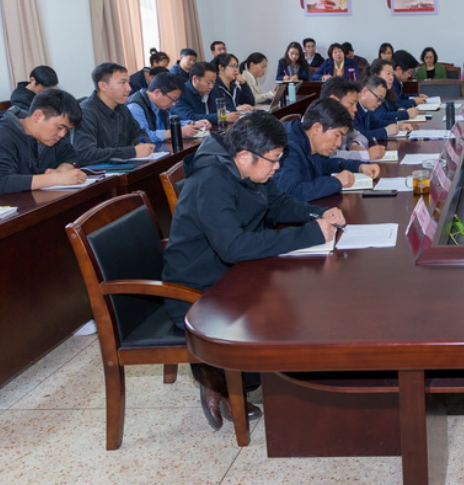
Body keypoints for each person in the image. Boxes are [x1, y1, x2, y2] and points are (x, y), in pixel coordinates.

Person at [161, 112, 346, 427]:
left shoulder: (247, 169)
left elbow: (278, 203)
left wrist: (318, 213)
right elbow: (234, 247)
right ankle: (215, 377)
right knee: (280, 321)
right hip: (199, 291)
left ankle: (259, 380)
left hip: (236, 273)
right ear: (244, 156)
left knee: (300, 304)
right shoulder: (210, 181)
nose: (277, 168)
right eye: (274, 160)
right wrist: (310, 234)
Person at [0, 88, 86, 200]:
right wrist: (55, 179)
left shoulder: (50, 137)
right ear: (38, 116)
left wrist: (60, 171)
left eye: (67, 130)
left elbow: (71, 156)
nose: (62, 134)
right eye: (60, 127)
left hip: (31, 203)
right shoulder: (0, 135)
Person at [274, 97, 381, 201]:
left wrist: (360, 167)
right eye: (337, 135)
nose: (339, 143)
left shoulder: (311, 141)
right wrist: (336, 182)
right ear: (316, 128)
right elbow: (291, 192)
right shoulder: (288, 147)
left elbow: (327, 164)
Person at [74, 62, 157, 166]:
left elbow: (139, 133)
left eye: (128, 82)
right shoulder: (86, 113)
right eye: (122, 83)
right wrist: (133, 152)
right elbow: (85, 154)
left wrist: (142, 143)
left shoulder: (121, 108)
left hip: (124, 169)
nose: (129, 88)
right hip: (97, 173)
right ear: (103, 86)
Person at [319, 76, 385, 161]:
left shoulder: (342, 121)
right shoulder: (320, 122)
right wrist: (366, 155)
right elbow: (331, 156)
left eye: (356, 104)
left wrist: (355, 144)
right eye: (351, 104)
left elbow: (360, 136)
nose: (355, 109)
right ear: (334, 100)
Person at [127, 72, 204, 143]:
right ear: (157, 92)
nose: (173, 104)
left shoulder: (160, 104)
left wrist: (192, 123)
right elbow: (142, 137)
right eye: (173, 99)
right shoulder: (135, 107)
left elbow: (170, 122)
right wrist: (175, 132)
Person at [354, 76, 414, 143]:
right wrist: (386, 131)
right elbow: (360, 136)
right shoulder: (352, 109)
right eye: (379, 98)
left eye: (382, 100)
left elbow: (375, 123)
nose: (380, 103)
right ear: (365, 92)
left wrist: (397, 125)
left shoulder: (365, 107)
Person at [170, 61, 221, 126]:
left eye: (213, 83)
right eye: (208, 83)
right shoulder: (180, 93)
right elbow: (189, 117)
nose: (211, 86)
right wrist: (222, 117)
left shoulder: (213, 91)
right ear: (195, 79)